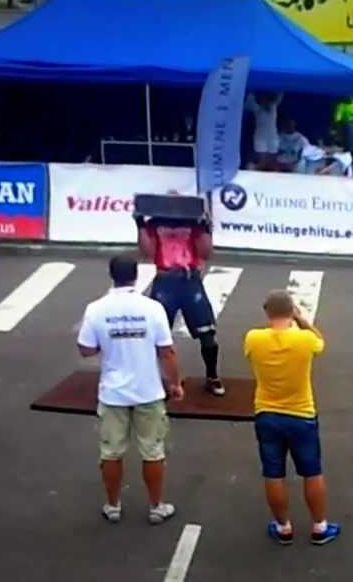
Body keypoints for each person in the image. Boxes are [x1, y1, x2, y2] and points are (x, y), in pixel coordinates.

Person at [77, 254, 184, 525]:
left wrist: (108, 343)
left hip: (113, 393)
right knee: (153, 451)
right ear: (136, 275)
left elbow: (86, 349)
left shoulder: (96, 309)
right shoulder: (153, 308)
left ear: (111, 275)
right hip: (148, 391)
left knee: (111, 453)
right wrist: (175, 383)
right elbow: (167, 352)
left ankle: (113, 505)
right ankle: (156, 506)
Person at [244, 290, 341, 546]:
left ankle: (283, 527)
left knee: (273, 473)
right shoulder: (305, 340)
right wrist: (301, 320)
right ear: (292, 311)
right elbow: (320, 341)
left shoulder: (253, 338)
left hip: (267, 413)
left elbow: (250, 353)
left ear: (267, 312)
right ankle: (319, 526)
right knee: (312, 471)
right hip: (301, 414)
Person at [136, 204, 226, 397]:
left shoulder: (193, 223)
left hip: (190, 280)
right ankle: (154, 377)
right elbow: (147, 253)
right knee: (155, 334)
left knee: (207, 335)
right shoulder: (155, 223)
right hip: (165, 281)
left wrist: (206, 228)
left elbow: (205, 253)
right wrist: (140, 225)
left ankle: (212, 377)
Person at [246, 92, 283, 170]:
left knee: (273, 160)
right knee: (262, 159)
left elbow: (280, 95)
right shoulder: (256, 107)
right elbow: (249, 99)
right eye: (262, 99)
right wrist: (252, 92)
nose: (264, 100)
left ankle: (270, 172)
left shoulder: (273, 106)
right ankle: (256, 170)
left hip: (273, 136)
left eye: (265, 98)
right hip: (260, 137)